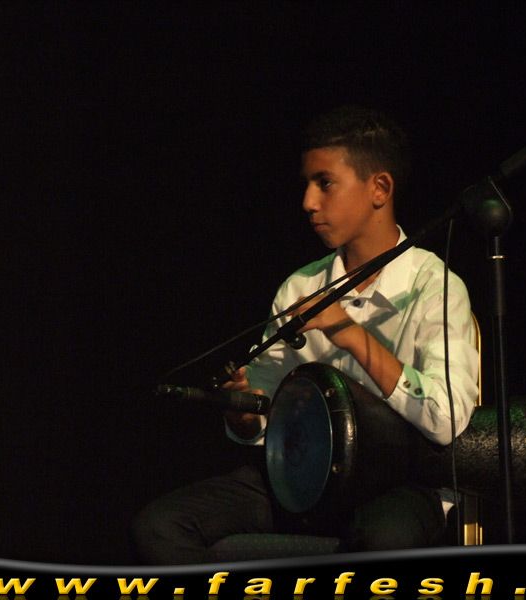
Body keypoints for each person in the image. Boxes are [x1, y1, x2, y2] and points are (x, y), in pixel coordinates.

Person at [131, 106, 479, 564]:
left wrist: (347, 331)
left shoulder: (434, 287)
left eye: (325, 183)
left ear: (379, 188)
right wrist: (245, 415)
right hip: (306, 481)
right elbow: (263, 415)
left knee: (383, 541)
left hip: (402, 483)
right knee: (160, 526)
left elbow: (445, 418)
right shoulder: (300, 288)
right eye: (308, 184)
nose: (309, 202)